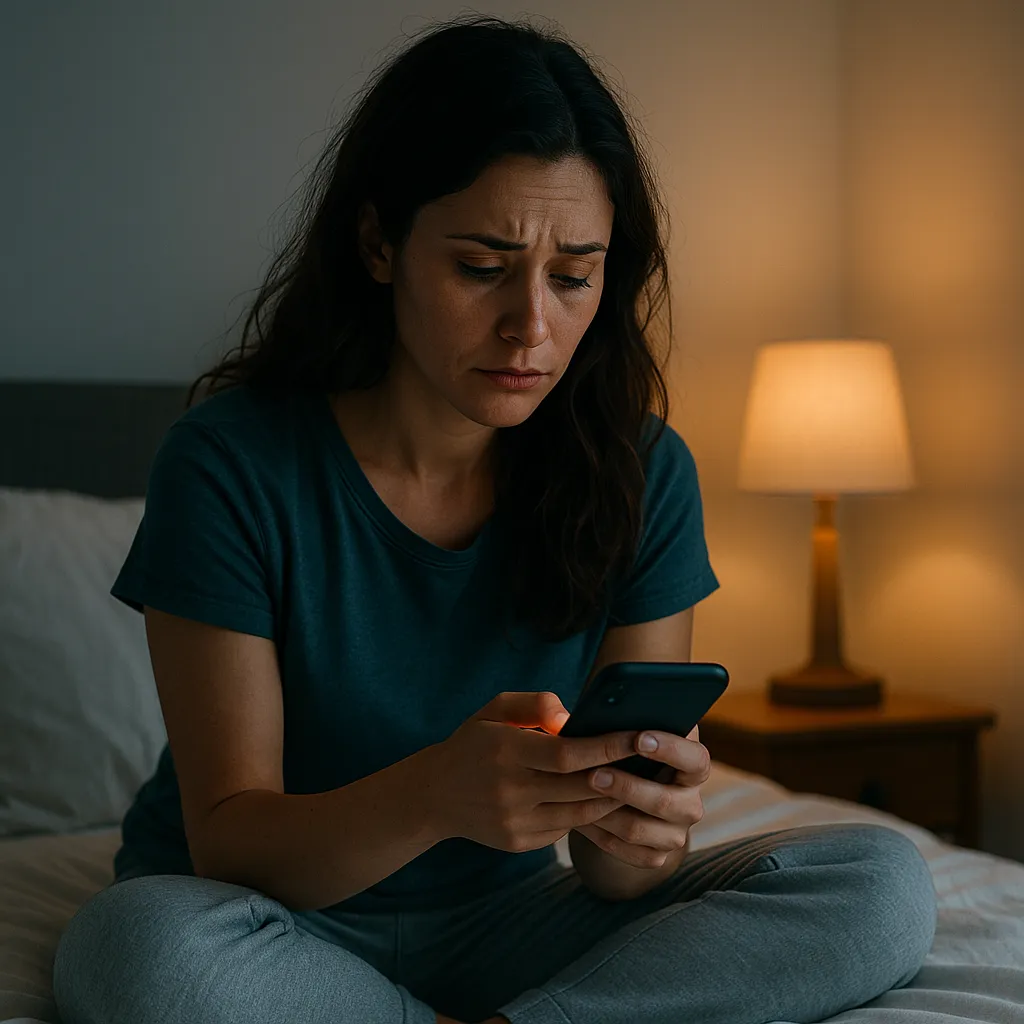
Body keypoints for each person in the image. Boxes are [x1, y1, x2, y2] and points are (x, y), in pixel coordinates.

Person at [52, 14, 936, 1024]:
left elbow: (611, 883)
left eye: (573, 276)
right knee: (131, 946)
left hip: (513, 929)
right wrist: (436, 793)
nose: (531, 326)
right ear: (380, 242)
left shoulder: (640, 471)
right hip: (266, 919)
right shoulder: (232, 462)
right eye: (481, 267)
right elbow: (230, 841)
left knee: (878, 884)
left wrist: (637, 832)